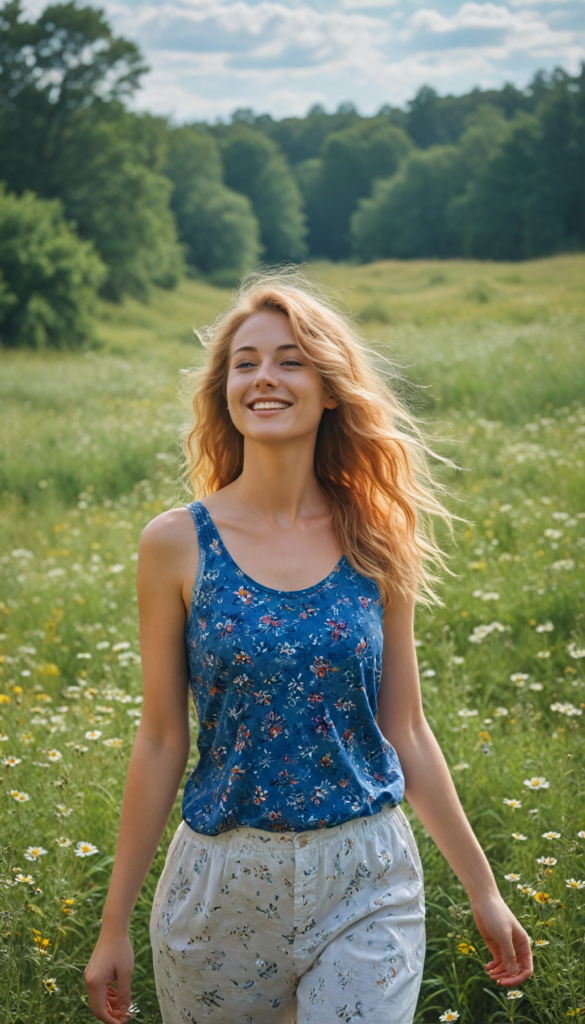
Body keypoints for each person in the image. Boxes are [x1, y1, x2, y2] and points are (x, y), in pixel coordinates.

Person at [84, 269, 533, 1024]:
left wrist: (483, 890)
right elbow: (161, 739)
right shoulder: (175, 544)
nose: (265, 377)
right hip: (221, 885)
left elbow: (406, 727)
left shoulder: (376, 538)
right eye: (246, 363)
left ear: (329, 389)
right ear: (226, 391)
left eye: (290, 360)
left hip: (367, 877)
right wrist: (112, 925)